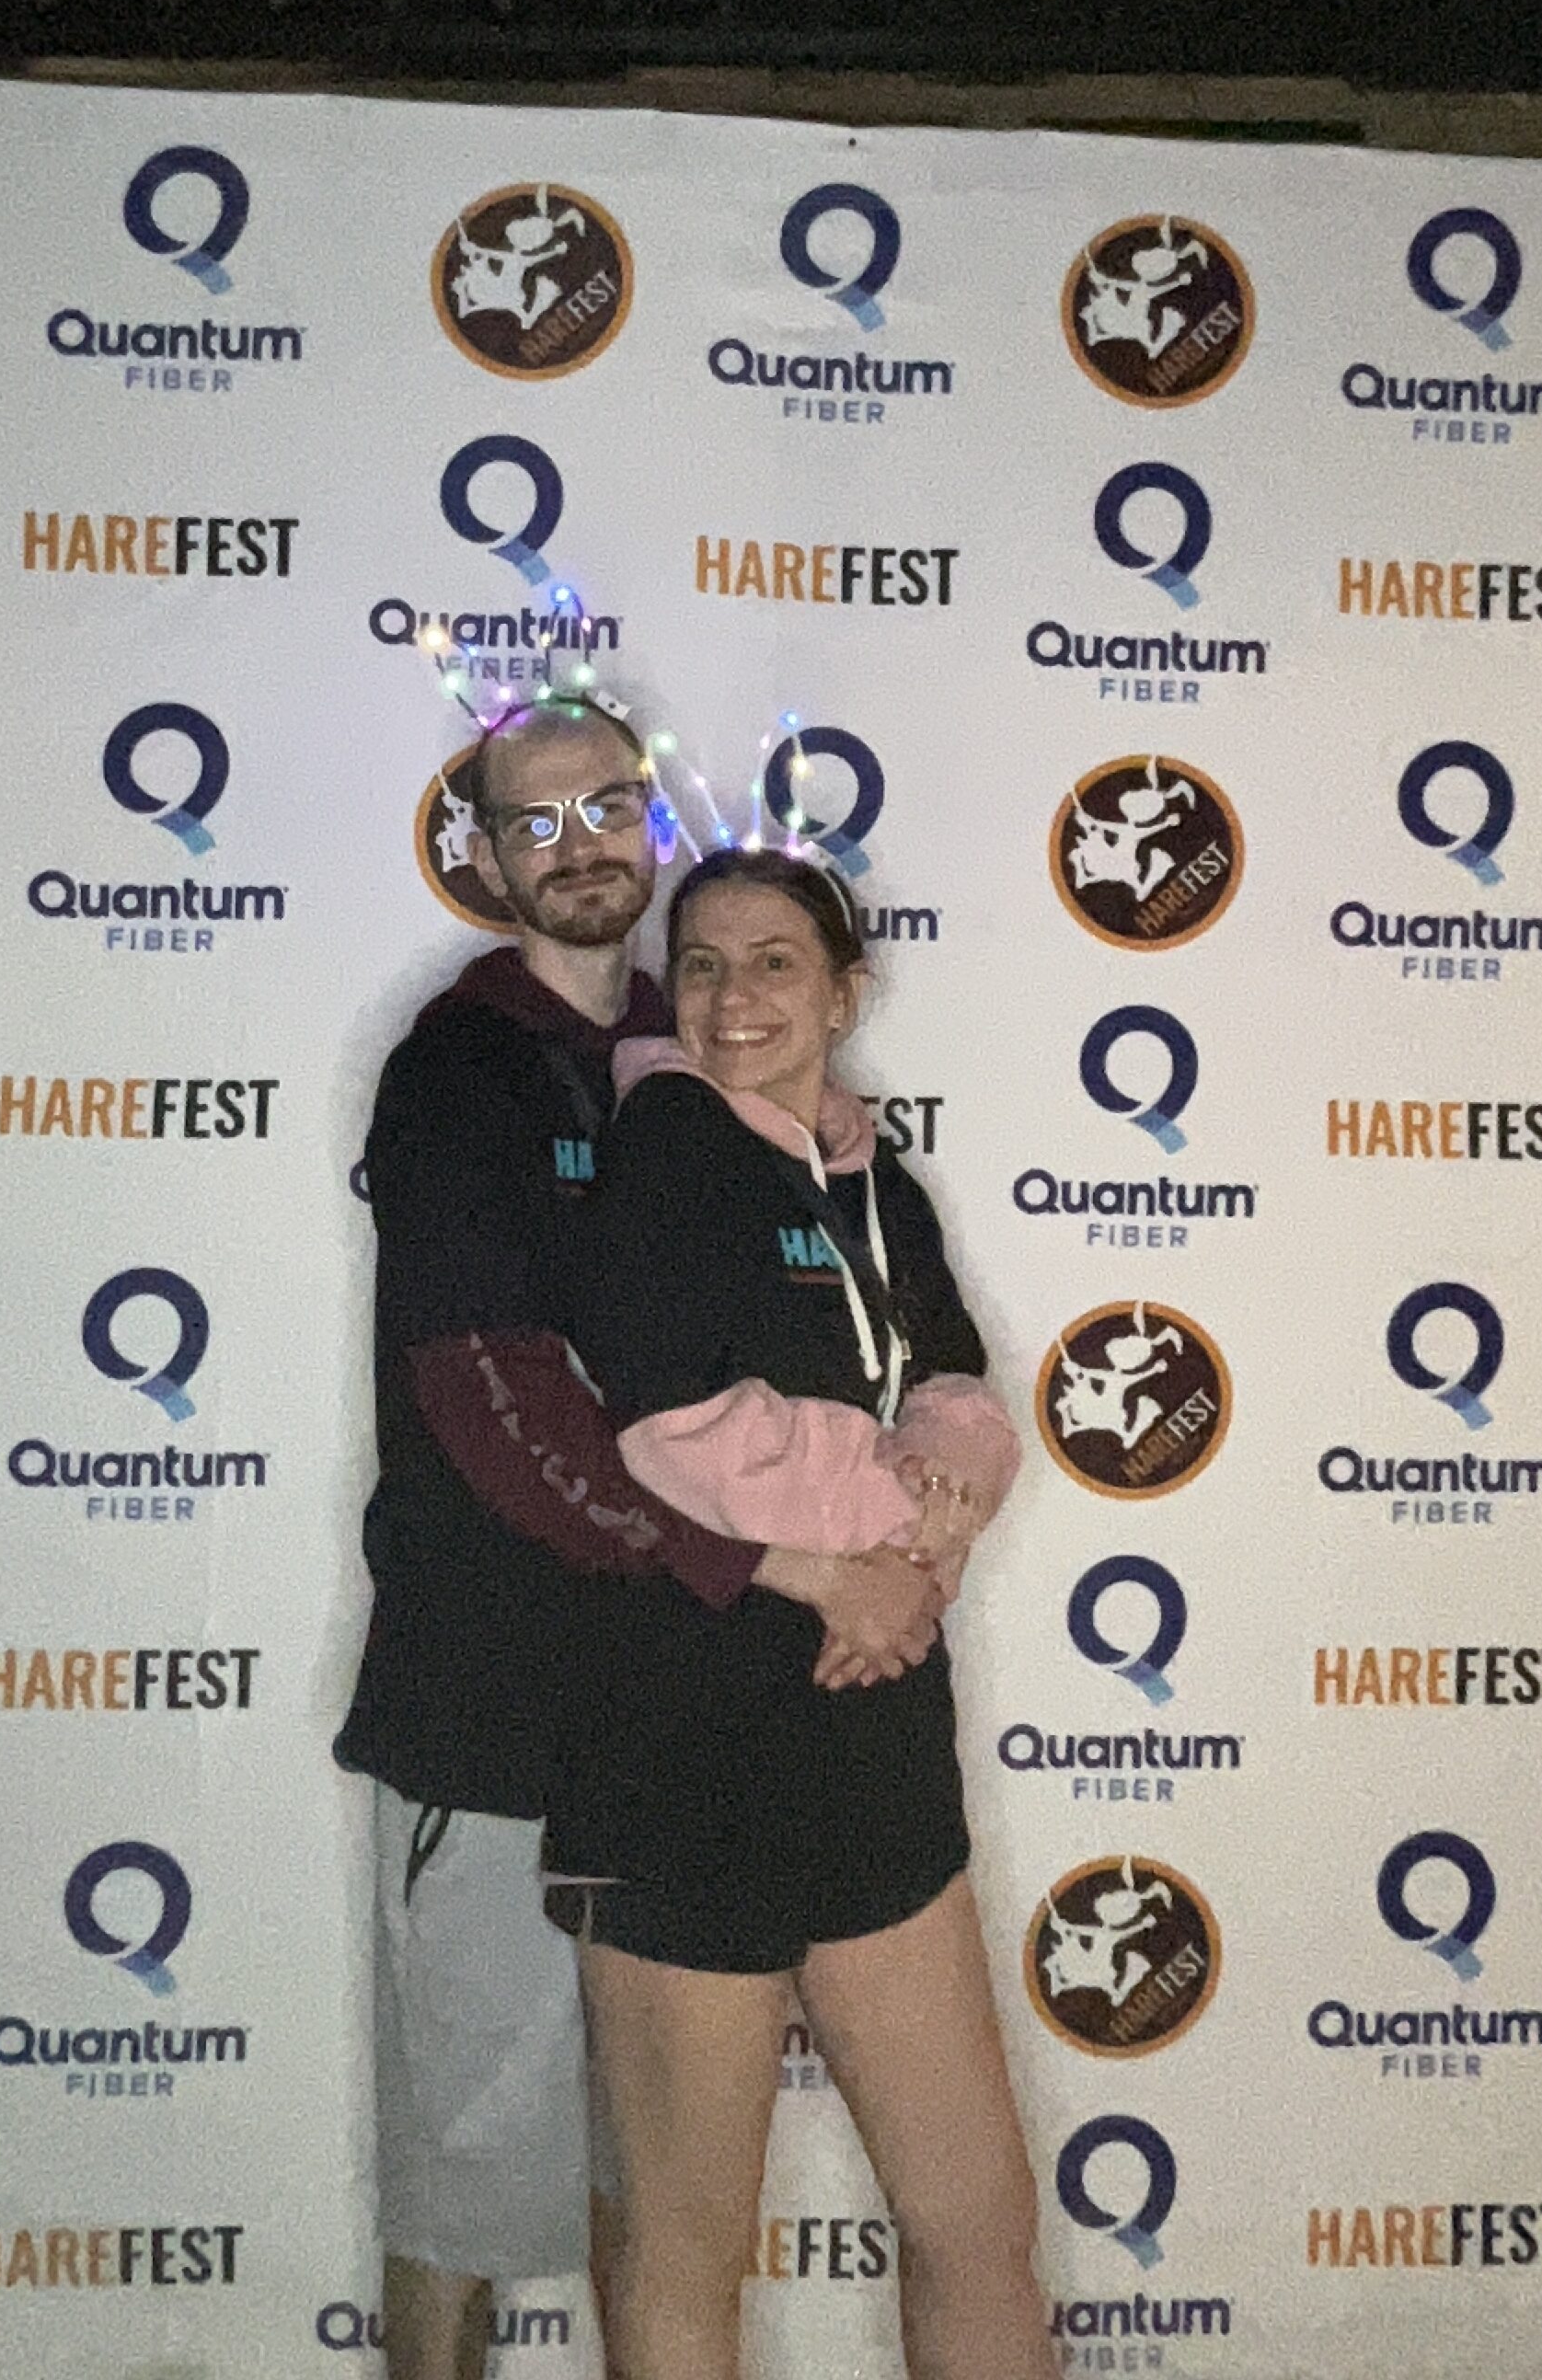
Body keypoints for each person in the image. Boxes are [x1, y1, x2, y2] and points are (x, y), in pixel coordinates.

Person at [334, 697, 949, 2380]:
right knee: (465, 2182)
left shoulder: (708, 1071)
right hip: (494, 1715)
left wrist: (905, 1525)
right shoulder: (462, 1070)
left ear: (652, 820)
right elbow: (500, 1410)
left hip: (676, 1723)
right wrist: (780, 1569)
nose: (580, 844)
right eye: (534, 821)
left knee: (653, 2189)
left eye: (608, 805)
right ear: (482, 853)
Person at [548, 846, 1058, 2380]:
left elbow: (957, 1391)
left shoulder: (880, 1188)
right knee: (688, 2253)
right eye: (701, 964)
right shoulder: (664, 1150)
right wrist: (888, 1531)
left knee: (979, 2220)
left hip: (871, 1739)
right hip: (680, 1753)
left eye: (774, 962)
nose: (731, 998)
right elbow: (673, 1433)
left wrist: (931, 1539)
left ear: (845, 992)